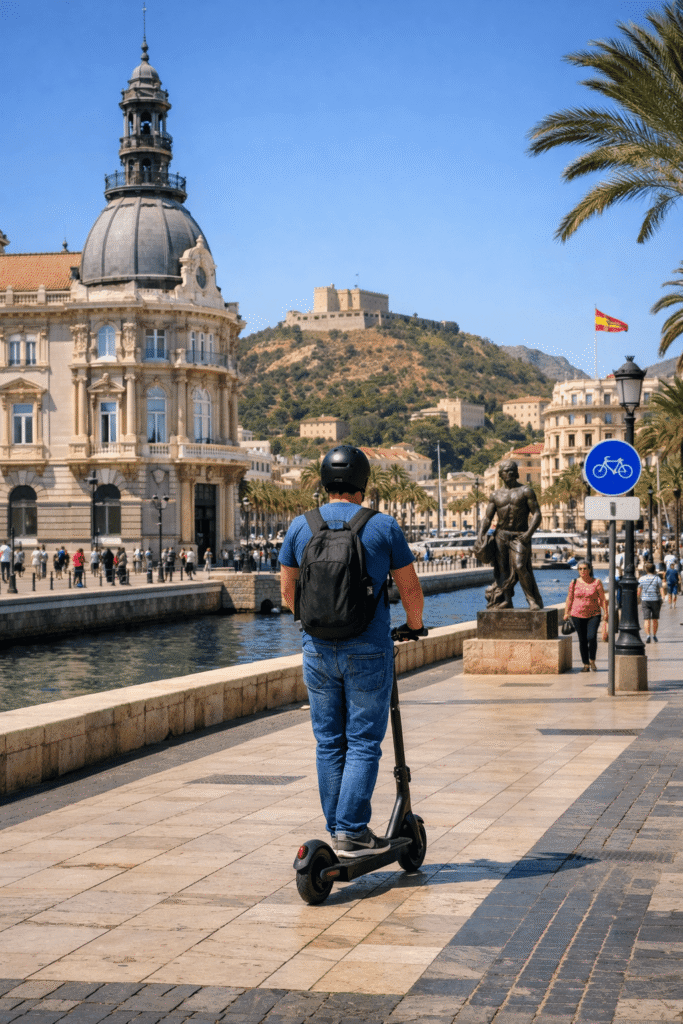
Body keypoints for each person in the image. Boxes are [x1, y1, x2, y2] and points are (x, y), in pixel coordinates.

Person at [279, 444, 425, 859]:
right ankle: (352, 830)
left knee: (329, 742)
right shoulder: (383, 526)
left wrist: (314, 626)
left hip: (317, 651)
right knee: (363, 742)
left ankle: (337, 829)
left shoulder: (300, 526)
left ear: (324, 481)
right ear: (363, 482)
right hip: (369, 649)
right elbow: (411, 591)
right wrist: (414, 627)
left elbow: (289, 591)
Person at [475, 459, 543, 610]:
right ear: (500, 474)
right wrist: (480, 535)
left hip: (520, 535)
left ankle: (532, 601)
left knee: (520, 566)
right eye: (506, 471)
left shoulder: (526, 491)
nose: (510, 472)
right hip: (501, 536)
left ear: (517, 473)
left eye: (512, 469)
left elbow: (537, 514)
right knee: (502, 569)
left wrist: (528, 534)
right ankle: (507, 600)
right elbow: (487, 518)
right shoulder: (495, 495)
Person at [564, 561, 607, 672]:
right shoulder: (573, 582)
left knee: (591, 637)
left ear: (589, 570)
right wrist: (566, 612)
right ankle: (586, 664)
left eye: (585, 568)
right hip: (577, 615)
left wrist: (606, 612)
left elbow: (602, 599)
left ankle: (592, 659)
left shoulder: (596, 582)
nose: (583, 571)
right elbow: (569, 598)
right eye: (580, 569)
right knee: (582, 640)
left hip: (594, 614)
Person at [638, 561, 663, 642]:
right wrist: (662, 597)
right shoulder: (657, 578)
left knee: (646, 619)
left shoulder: (641, 579)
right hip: (655, 600)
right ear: (654, 570)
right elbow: (661, 590)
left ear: (646, 570)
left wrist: (638, 598)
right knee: (655, 619)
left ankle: (648, 635)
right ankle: (654, 635)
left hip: (645, 600)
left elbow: (639, 592)